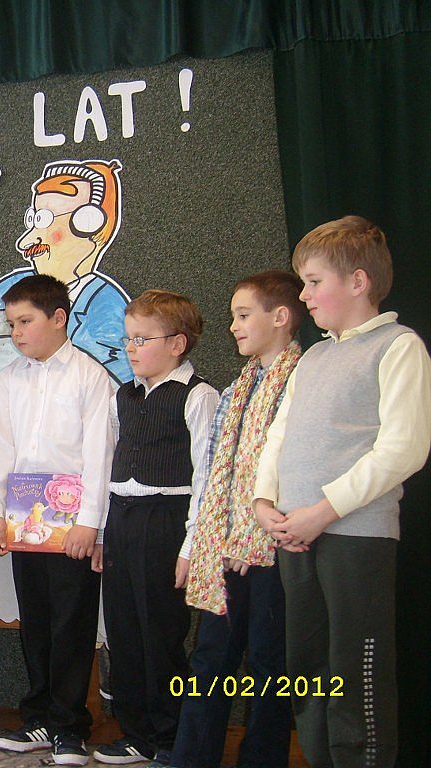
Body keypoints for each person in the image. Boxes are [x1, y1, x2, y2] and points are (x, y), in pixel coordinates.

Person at [253, 216, 431, 768]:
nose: (304, 295)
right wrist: (264, 503)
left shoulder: (398, 347)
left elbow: (403, 449)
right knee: (307, 669)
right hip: (296, 535)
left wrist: (323, 511)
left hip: (355, 535)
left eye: (313, 282)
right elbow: (279, 435)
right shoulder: (313, 357)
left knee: (356, 671)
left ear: (357, 282)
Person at [170, 271, 305, 768]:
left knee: (270, 664)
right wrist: (211, 540)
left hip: (275, 547)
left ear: (281, 317)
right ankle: (192, 758)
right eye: (233, 316)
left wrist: (254, 535)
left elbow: (295, 470)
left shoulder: (303, 383)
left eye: (243, 315)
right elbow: (213, 476)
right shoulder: (235, 390)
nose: (233, 326)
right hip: (224, 549)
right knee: (210, 659)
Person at [0, 274, 113, 766]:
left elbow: (99, 455)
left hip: (73, 521)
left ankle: (70, 726)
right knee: (35, 621)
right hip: (25, 516)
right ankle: (39, 716)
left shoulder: (90, 377)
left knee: (71, 623)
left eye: (25, 321)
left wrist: (90, 522)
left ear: (58, 318)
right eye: (11, 324)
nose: (16, 333)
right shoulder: (8, 380)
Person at [93, 290, 218, 766]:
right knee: (123, 630)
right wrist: (101, 533)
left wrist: (191, 546)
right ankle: (136, 733)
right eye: (127, 338)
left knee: (160, 634)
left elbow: (207, 476)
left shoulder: (198, 396)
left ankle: (170, 737)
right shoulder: (123, 395)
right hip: (122, 519)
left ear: (177, 344)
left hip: (167, 521)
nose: (130, 348)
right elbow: (108, 464)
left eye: (142, 339)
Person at [0, 160, 131, 383]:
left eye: (45, 220)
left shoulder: (107, 306)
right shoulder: (6, 290)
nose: (26, 240)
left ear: (88, 222)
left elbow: (119, 383)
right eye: (33, 220)